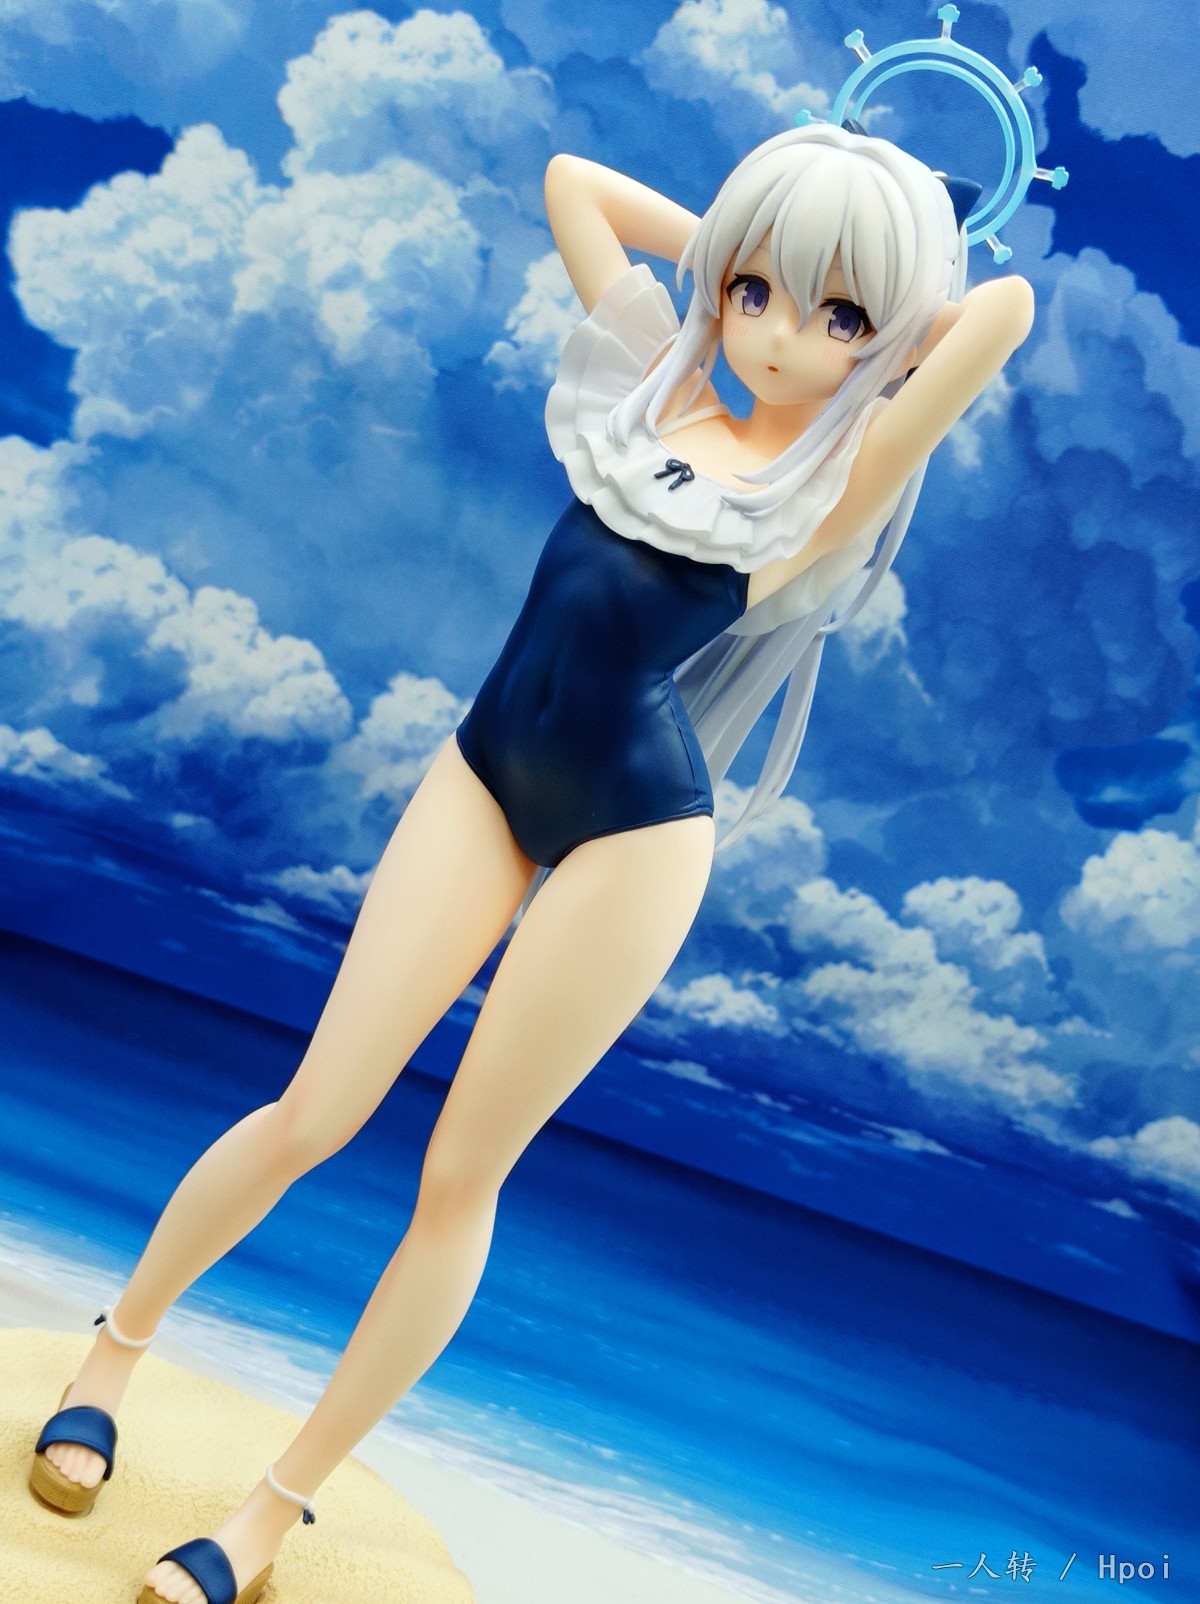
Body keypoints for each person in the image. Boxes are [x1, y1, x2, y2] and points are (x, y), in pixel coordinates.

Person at [29, 124, 1034, 1604]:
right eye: (757, 291)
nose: (778, 336)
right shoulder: (646, 384)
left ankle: (267, 1515)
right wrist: (756, 243)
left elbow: (999, 313)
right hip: (484, 772)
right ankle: (110, 1359)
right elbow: (576, 185)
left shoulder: (833, 475)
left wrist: (874, 286)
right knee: (314, 1109)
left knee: (459, 1178)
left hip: (637, 833)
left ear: (878, 344)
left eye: (835, 318)